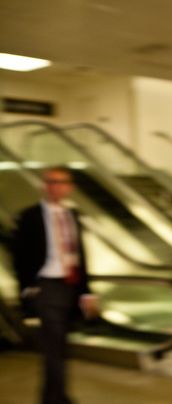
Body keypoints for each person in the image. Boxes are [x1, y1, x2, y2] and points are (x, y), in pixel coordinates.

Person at [12, 166, 98, 404]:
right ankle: (56, 399)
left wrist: (86, 292)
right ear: (43, 185)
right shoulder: (29, 216)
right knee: (54, 345)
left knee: (59, 346)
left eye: (61, 182)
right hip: (46, 287)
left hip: (70, 286)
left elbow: (80, 255)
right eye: (50, 181)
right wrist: (29, 288)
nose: (55, 186)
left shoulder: (73, 216)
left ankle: (53, 395)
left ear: (70, 187)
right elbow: (18, 256)